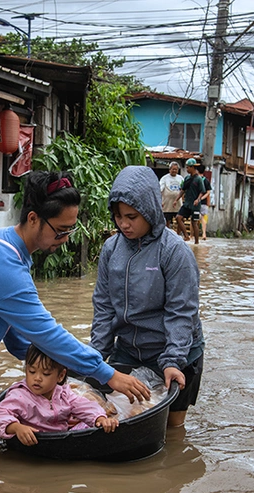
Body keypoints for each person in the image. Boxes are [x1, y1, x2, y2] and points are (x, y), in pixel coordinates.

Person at [0, 170, 150, 439]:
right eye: (60, 230)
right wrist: (107, 374)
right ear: (33, 218)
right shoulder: (3, 262)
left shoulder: (12, 246)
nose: (66, 238)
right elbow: (45, 332)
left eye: (70, 230)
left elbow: (18, 337)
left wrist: (55, 377)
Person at [92, 166, 205, 428]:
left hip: (177, 352)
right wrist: (95, 357)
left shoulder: (174, 251)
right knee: (116, 415)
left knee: (172, 428)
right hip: (129, 352)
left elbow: (181, 312)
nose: (124, 224)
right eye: (118, 216)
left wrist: (173, 360)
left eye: (131, 216)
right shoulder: (111, 249)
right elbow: (104, 307)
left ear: (150, 210)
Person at [0, 344, 119, 446]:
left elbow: (84, 406)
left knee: (99, 428)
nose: (37, 378)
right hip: (35, 442)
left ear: (60, 376)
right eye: (32, 371)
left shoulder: (63, 392)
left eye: (46, 374)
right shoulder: (19, 396)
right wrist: (16, 427)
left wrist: (100, 418)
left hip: (61, 438)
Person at [173, 158, 204, 244]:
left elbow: (202, 191)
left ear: (193, 167)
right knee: (178, 217)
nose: (187, 169)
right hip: (187, 203)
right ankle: (186, 235)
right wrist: (176, 200)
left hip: (195, 205)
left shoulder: (199, 179)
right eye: (186, 167)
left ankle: (196, 242)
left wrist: (198, 199)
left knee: (194, 222)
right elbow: (182, 190)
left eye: (188, 167)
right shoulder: (187, 178)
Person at [159, 161, 184, 232]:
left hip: (178, 203)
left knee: (179, 219)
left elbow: (183, 189)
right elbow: (160, 190)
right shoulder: (164, 178)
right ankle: (167, 233)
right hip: (167, 203)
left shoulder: (180, 178)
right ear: (169, 169)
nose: (174, 171)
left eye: (176, 169)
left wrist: (182, 199)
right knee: (167, 220)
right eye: (173, 169)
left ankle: (178, 234)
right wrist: (160, 201)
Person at [197, 162, 213, 240]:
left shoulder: (195, 179)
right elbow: (208, 192)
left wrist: (199, 198)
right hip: (203, 202)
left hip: (196, 202)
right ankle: (204, 234)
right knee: (203, 218)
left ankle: (192, 235)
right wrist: (204, 198)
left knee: (194, 218)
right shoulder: (206, 180)